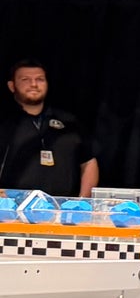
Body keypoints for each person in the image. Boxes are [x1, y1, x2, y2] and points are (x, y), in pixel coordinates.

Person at [2, 60, 99, 198]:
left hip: (62, 209)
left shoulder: (69, 122)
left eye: (40, 79)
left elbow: (88, 162)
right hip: (11, 209)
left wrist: (82, 201)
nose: (34, 84)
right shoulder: (5, 123)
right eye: (25, 79)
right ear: (12, 86)